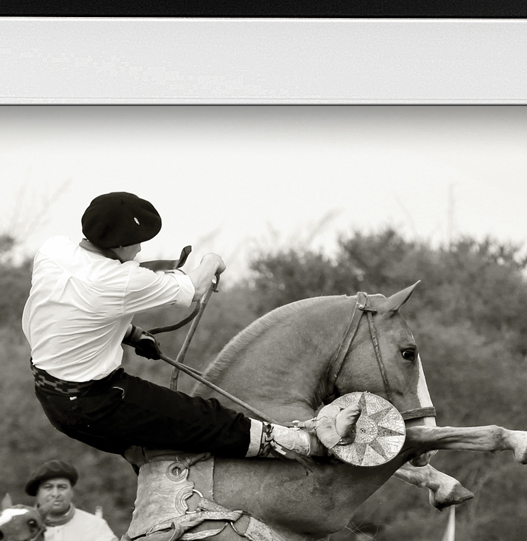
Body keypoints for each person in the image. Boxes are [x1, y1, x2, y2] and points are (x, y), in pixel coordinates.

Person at [23, 191, 320, 465]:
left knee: (156, 453)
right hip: (95, 403)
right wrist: (211, 261)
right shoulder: (122, 281)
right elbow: (192, 288)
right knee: (208, 420)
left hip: (53, 397)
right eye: (137, 243)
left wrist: (131, 334)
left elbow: (70, 312)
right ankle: (306, 445)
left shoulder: (53, 249)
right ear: (120, 245)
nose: (139, 251)